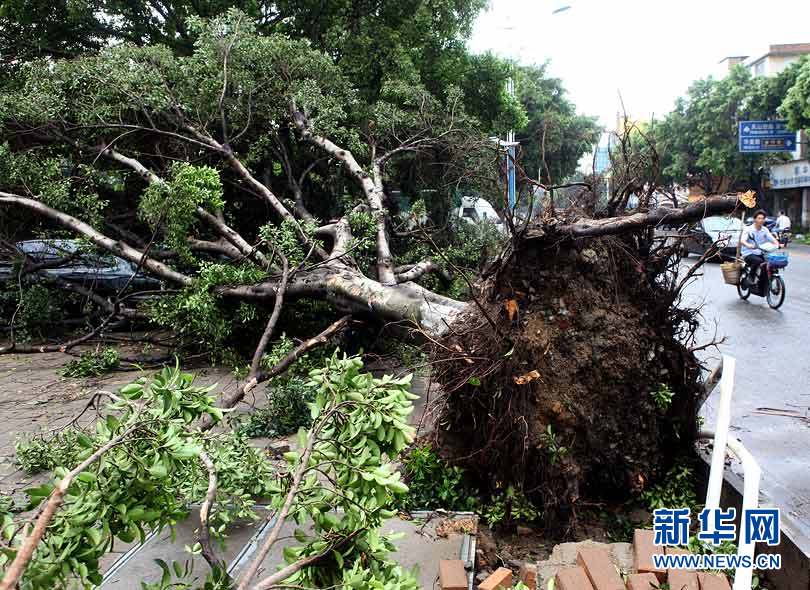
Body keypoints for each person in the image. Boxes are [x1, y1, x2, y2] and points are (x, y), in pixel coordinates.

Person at [741, 210, 779, 292]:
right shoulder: (748, 229)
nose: (761, 220)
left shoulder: (764, 229)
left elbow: (772, 238)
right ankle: (750, 276)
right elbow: (742, 240)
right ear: (755, 219)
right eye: (759, 218)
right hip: (748, 253)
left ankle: (765, 283)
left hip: (760, 252)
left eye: (763, 218)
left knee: (772, 262)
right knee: (759, 261)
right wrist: (749, 245)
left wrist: (777, 244)